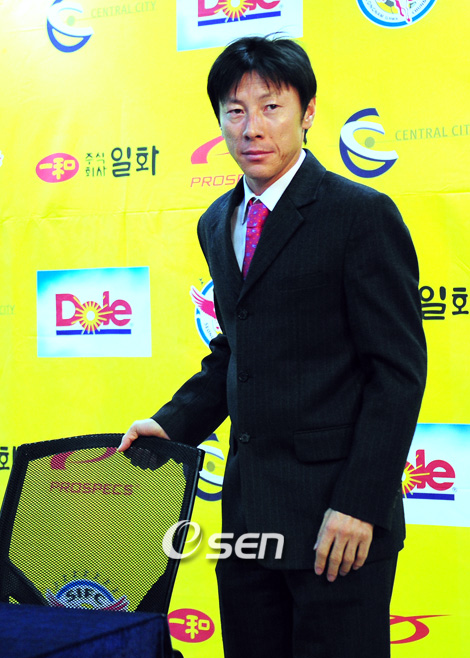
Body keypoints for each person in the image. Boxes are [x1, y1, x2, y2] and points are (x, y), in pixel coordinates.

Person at [118, 36, 427, 658]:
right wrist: (173, 423)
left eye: (271, 107)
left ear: (307, 112)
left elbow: (396, 373)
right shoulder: (217, 221)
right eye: (235, 111)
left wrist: (359, 504)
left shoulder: (360, 214)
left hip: (338, 521)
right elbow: (238, 348)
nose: (252, 128)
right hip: (248, 521)